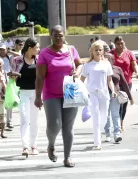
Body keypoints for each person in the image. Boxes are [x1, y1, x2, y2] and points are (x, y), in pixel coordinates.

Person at [35, 25, 83, 167]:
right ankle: (51, 145)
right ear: (51, 35)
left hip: (70, 91)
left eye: (60, 35)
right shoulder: (45, 53)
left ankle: (67, 157)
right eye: (55, 34)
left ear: (64, 35)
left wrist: (78, 72)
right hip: (51, 94)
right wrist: (38, 96)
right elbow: (39, 77)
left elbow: (80, 64)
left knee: (68, 126)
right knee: (55, 125)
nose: (58, 37)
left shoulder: (71, 50)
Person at [80, 41, 116, 150]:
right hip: (92, 94)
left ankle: (99, 132)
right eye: (96, 50)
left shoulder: (106, 64)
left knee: (104, 117)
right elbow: (82, 80)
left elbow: (109, 80)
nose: (98, 51)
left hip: (104, 94)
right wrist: (83, 92)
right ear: (92, 51)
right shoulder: (87, 65)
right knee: (96, 117)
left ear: (103, 51)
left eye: (100, 50)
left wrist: (113, 91)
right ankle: (97, 142)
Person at [11, 38, 40, 157]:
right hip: (22, 92)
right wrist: (14, 75)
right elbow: (12, 77)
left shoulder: (39, 60)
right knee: (24, 119)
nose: (38, 50)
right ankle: (25, 146)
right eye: (37, 47)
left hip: (36, 93)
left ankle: (34, 145)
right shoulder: (17, 60)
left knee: (34, 120)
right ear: (30, 48)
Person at [104, 52, 134, 143]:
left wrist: (130, 97)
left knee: (115, 115)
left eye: (109, 59)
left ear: (113, 60)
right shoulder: (101, 69)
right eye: (105, 59)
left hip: (115, 95)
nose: (107, 60)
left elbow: (124, 83)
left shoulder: (117, 69)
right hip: (104, 95)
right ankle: (108, 133)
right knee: (106, 115)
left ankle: (117, 134)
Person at [110, 36, 138, 131]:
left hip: (127, 82)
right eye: (118, 43)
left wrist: (137, 72)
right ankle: (116, 123)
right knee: (117, 103)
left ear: (124, 43)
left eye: (122, 43)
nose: (120, 45)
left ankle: (121, 122)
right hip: (115, 83)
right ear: (115, 44)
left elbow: (134, 64)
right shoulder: (111, 54)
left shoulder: (129, 53)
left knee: (124, 103)